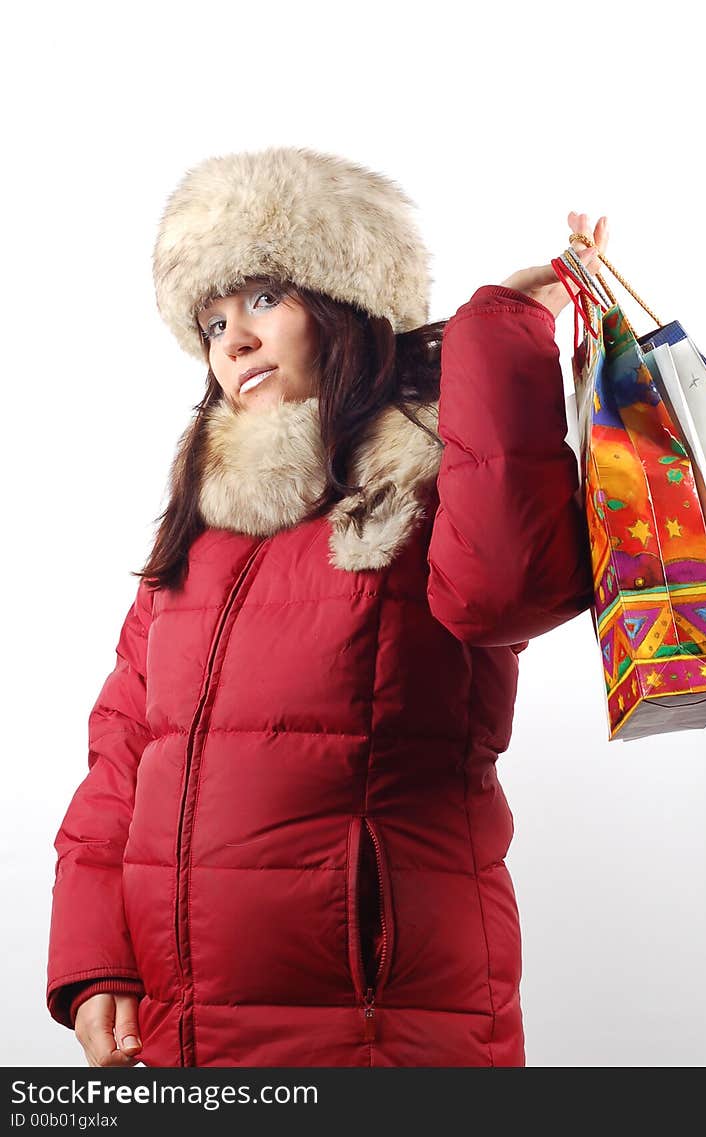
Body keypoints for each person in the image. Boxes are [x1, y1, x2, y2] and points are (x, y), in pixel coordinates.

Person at [45, 144, 608, 1067]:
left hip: (377, 1027)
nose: (235, 339)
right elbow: (122, 751)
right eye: (214, 318)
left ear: (346, 303)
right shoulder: (203, 520)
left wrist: (498, 336)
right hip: (188, 1031)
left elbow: (510, 588)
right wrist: (97, 952)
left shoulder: (424, 478)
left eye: (265, 297)